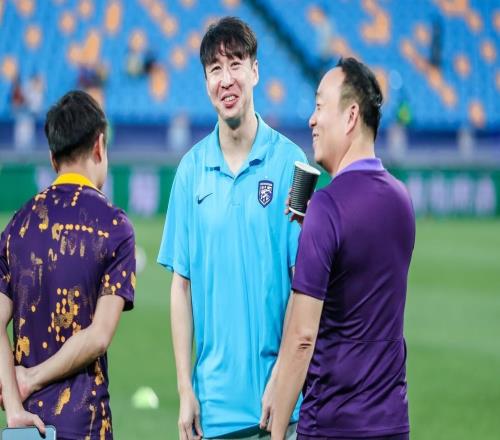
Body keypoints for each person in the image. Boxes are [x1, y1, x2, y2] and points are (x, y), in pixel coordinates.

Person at [158, 16, 306, 440]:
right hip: (212, 410)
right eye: (215, 69)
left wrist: (284, 377)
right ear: (205, 81)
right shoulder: (190, 171)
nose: (226, 80)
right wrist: (184, 388)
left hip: (282, 408)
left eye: (236, 64)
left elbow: (305, 285)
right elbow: (181, 286)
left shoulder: (294, 166)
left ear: (255, 71)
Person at [270, 58, 415, 440]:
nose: (311, 120)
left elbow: (302, 337)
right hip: (391, 422)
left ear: (351, 116)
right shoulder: (402, 200)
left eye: (320, 106)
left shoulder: (327, 207)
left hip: (333, 422)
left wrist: (278, 430)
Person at [0, 90, 136, 439]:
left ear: (52, 157)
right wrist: (31, 377)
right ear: (99, 145)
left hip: (26, 427)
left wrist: (14, 406)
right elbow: (99, 336)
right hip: (85, 425)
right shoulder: (114, 226)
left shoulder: (18, 224)